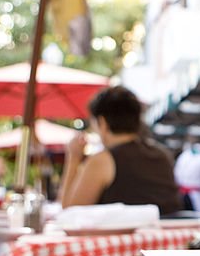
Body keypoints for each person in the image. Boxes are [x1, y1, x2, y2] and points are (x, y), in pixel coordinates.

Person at [60, 86, 181, 215]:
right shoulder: (162, 155)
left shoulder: (103, 160)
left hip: (124, 233)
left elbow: (70, 212)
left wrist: (74, 158)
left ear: (102, 122)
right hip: (168, 233)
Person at [174, 138, 200, 212]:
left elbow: (176, 174)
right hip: (197, 194)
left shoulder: (184, 155)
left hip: (182, 192)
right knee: (199, 215)